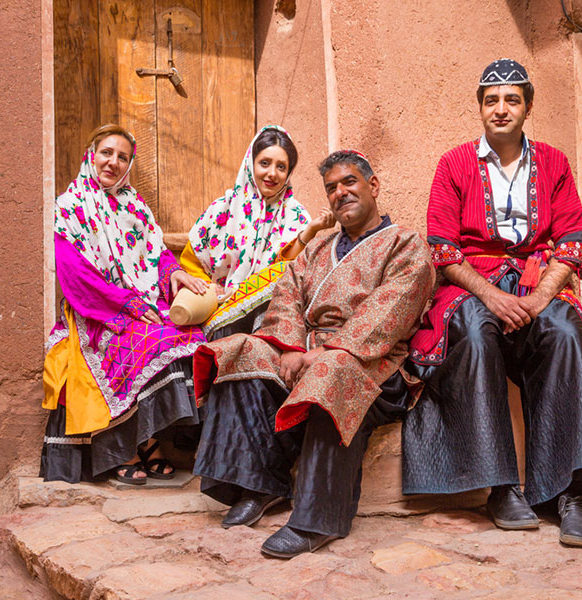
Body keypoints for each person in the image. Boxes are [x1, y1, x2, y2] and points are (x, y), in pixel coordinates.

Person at [403, 59, 582, 548]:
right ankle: (501, 487)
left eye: (512, 99)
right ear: (479, 107)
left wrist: (540, 297)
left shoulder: (555, 163)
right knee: (474, 331)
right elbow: (443, 249)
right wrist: (494, 295)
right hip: (474, 283)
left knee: (563, 328)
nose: (501, 109)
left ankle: (571, 493)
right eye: (491, 100)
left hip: (539, 280)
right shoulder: (453, 164)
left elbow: (571, 242)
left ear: (528, 106)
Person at [192, 150, 435, 558]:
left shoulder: (405, 244)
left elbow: (388, 313)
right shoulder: (317, 249)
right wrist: (289, 347)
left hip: (371, 364)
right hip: (304, 351)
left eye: (349, 182)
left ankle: (315, 521)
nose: (341, 193)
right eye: (331, 188)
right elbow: (287, 294)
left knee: (332, 369)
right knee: (240, 349)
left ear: (372, 186)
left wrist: (322, 351)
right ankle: (260, 483)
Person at [41, 124, 209, 486]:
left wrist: (174, 273)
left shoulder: (134, 206)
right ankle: (124, 449)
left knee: (187, 337)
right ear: (91, 155)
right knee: (146, 343)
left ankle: (147, 440)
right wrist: (125, 303)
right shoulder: (70, 208)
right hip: (96, 310)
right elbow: (74, 274)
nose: (113, 163)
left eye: (122, 157)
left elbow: (156, 252)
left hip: (139, 302)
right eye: (107, 153)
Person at [178, 126, 334, 340]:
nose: (272, 173)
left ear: (289, 173)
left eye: (281, 167)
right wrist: (209, 287)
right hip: (218, 311)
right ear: (250, 164)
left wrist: (311, 231)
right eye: (264, 163)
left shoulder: (295, 215)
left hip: (269, 315)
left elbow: (288, 271)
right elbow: (191, 260)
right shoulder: (223, 208)